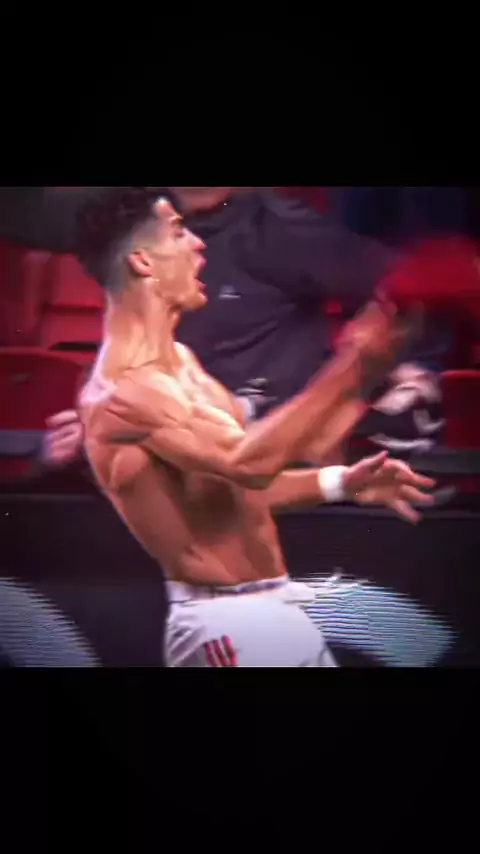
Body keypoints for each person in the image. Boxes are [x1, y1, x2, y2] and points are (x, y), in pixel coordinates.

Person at [75, 187, 435, 668]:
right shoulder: (124, 391)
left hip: (269, 608)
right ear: (142, 261)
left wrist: (340, 483)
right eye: (179, 233)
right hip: (228, 625)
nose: (198, 244)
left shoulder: (181, 363)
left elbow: (239, 491)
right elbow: (247, 465)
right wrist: (355, 364)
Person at [0, 186, 444, 468]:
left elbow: (410, 288)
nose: (196, 247)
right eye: (176, 234)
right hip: (180, 473)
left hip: (268, 463)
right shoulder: (120, 213)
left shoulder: (286, 231)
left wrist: (411, 373)